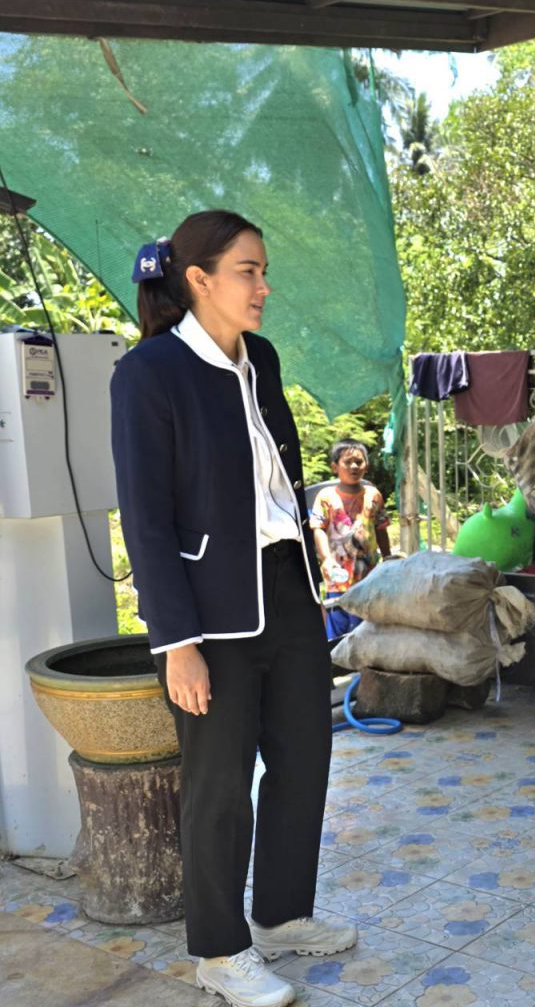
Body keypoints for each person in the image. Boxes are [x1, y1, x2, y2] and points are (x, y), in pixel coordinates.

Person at [111, 210, 355, 1007]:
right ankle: (219, 952)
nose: (263, 286)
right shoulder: (149, 374)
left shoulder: (263, 359)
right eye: (248, 270)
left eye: (263, 270)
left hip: (287, 589)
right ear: (199, 279)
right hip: (208, 610)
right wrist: (175, 642)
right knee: (218, 784)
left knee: (304, 754)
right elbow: (146, 520)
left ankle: (281, 914)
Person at [310, 438, 391, 638]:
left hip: (369, 576)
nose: (354, 466)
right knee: (338, 628)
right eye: (348, 462)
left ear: (366, 466)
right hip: (338, 575)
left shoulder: (373, 495)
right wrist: (326, 559)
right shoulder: (326, 497)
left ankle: (363, 659)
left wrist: (388, 557)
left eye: (358, 462)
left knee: (365, 628)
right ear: (335, 467)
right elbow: (318, 529)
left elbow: (381, 528)